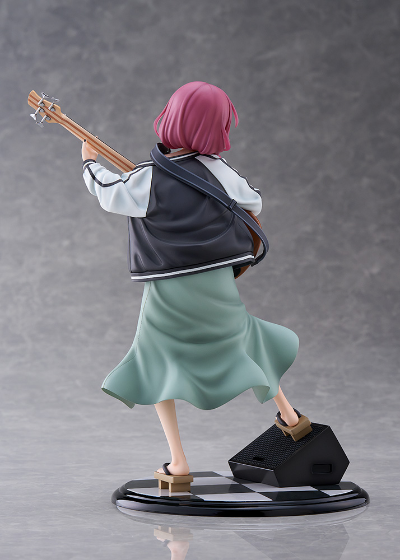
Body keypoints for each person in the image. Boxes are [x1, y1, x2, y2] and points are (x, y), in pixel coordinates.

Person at [81, 81, 309, 479]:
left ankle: (180, 464)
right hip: (217, 283)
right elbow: (253, 199)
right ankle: (291, 419)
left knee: (157, 360)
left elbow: (108, 193)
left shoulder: (148, 177)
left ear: (172, 118)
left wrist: (89, 162)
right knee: (247, 339)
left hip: (169, 289)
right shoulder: (217, 170)